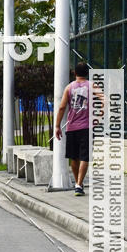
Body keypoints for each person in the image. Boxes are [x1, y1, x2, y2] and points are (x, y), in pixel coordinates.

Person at [55, 61, 91, 197]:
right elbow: (104, 101)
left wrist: (58, 126)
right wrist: (99, 116)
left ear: (74, 73)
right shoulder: (92, 86)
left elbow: (62, 107)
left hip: (71, 127)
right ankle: (78, 184)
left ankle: (78, 184)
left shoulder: (69, 88)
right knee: (84, 157)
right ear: (87, 73)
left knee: (74, 157)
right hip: (86, 127)